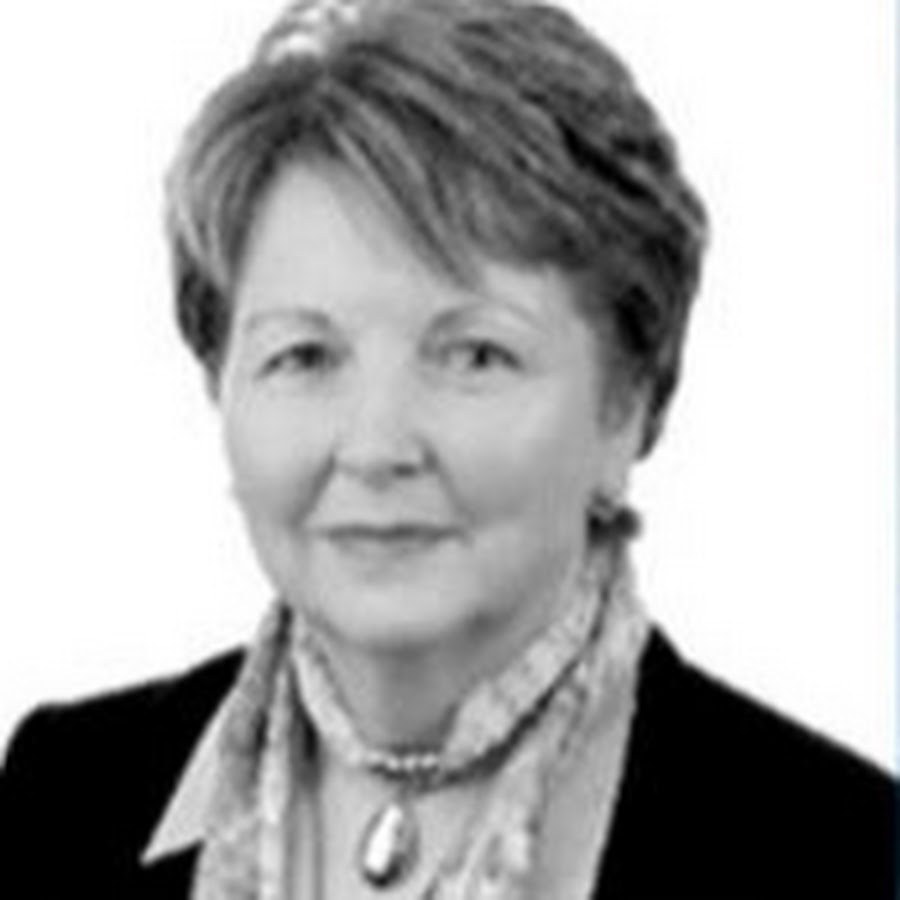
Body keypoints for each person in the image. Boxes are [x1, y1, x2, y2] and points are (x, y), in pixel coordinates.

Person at [0, 0, 894, 897]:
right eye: (303, 356)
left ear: (630, 402)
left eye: (474, 356)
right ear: (217, 382)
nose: (377, 447)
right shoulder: (61, 793)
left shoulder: (850, 855)